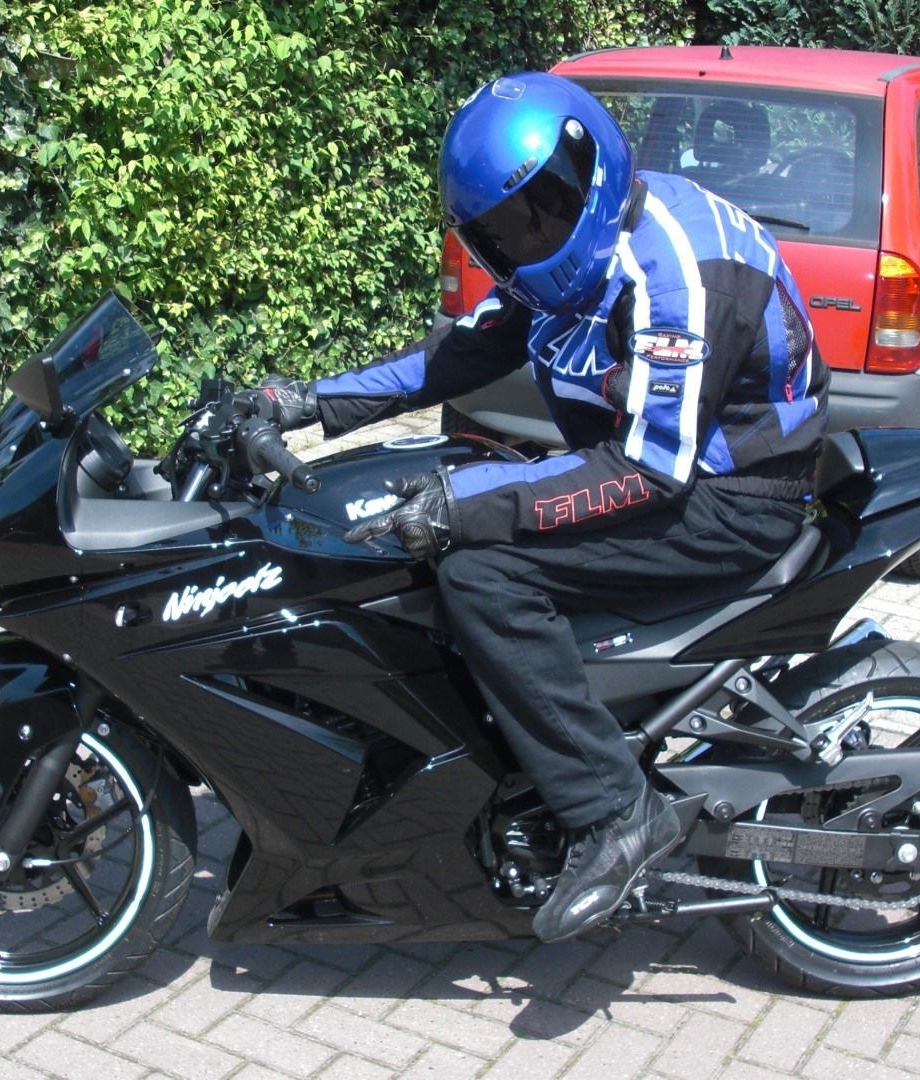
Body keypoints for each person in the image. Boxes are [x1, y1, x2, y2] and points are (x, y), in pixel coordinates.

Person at [255, 72, 829, 943]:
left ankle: (616, 811)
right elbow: (457, 356)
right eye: (502, 231)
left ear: (589, 170)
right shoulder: (556, 270)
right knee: (461, 492)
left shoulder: (677, 277)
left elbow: (649, 471)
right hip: (650, 462)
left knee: (481, 573)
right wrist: (308, 401)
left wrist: (460, 508)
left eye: (543, 212)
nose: (527, 241)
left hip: (733, 495)